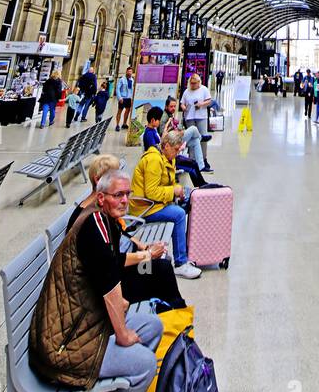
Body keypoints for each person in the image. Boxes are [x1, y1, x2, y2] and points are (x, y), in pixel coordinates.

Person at [29, 168, 164, 392]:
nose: (125, 201)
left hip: (84, 324)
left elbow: (112, 273)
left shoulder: (102, 223)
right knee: (144, 363)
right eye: (118, 195)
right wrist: (123, 332)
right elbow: (109, 290)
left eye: (127, 194)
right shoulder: (93, 229)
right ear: (100, 198)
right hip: (66, 343)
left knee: (154, 327)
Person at [68, 153, 186, 310]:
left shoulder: (97, 207)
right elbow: (111, 261)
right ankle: (175, 321)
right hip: (101, 289)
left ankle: (174, 320)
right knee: (161, 272)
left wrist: (142, 247)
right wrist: (147, 255)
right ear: (98, 180)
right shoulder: (93, 219)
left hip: (110, 275)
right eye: (113, 176)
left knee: (161, 267)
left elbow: (116, 242)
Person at [129, 128, 201, 279]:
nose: (177, 153)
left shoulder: (167, 157)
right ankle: (181, 263)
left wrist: (178, 193)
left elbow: (168, 181)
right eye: (175, 150)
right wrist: (173, 191)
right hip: (145, 208)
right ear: (166, 145)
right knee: (179, 214)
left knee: (189, 200)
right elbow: (151, 192)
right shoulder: (154, 160)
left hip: (155, 204)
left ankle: (187, 252)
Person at [163, 95, 212, 173]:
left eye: (174, 106)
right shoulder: (164, 117)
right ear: (166, 107)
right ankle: (201, 137)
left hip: (176, 137)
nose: (173, 108)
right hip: (173, 141)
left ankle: (201, 166)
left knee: (196, 141)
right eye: (171, 106)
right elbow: (164, 134)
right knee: (193, 128)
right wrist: (178, 132)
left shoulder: (170, 115)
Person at [181, 72, 212, 147]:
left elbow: (209, 101)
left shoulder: (204, 89)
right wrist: (183, 107)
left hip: (201, 116)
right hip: (189, 117)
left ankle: (203, 156)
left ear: (199, 82)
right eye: (191, 83)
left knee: (202, 136)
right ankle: (192, 156)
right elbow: (182, 103)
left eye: (195, 83)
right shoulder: (187, 91)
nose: (193, 85)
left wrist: (201, 104)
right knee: (192, 137)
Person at [115, 66, 134, 130]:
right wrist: (119, 98)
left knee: (127, 111)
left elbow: (132, 89)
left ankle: (124, 123)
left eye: (131, 71)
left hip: (129, 98)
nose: (129, 73)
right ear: (126, 71)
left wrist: (132, 98)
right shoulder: (122, 79)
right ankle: (117, 125)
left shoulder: (132, 80)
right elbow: (117, 89)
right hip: (122, 98)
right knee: (119, 111)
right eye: (128, 71)